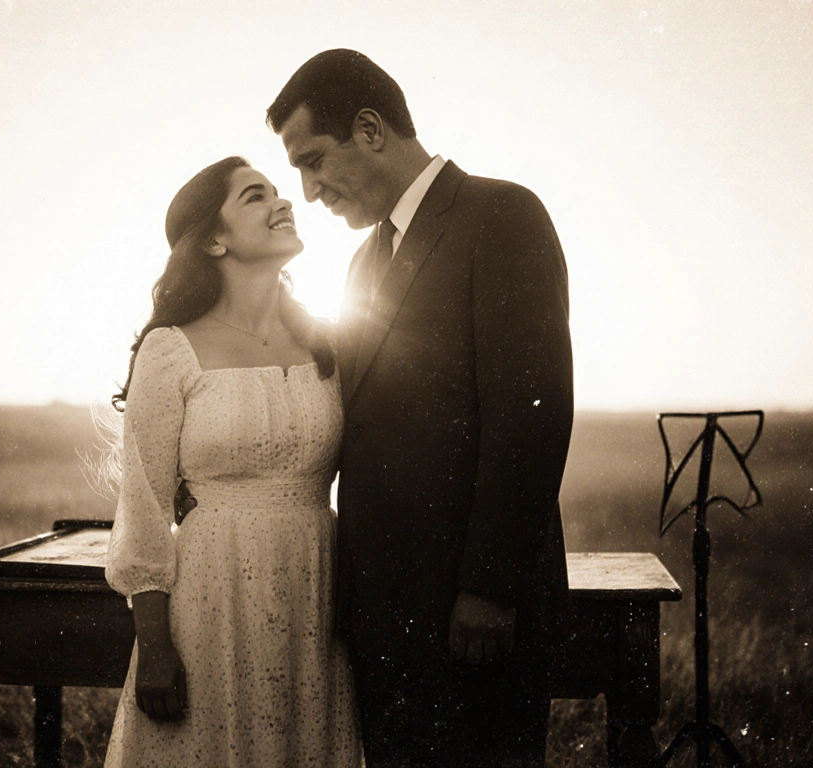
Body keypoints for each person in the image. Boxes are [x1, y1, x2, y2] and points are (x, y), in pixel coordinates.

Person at [266, 49, 575, 767]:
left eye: (313, 160)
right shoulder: (363, 260)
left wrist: (489, 589)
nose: (308, 191)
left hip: (474, 618)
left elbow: (530, 413)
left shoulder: (501, 215)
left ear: (370, 129)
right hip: (385, 620)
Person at [100, 156, 361, 768]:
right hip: (211, 600)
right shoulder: (171, 349)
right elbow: (143, 509)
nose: (282, 202)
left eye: (276, 191)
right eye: (254, 196)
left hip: (316, 593)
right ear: (214, 240)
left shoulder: (329, 343)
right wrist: (155, 647)